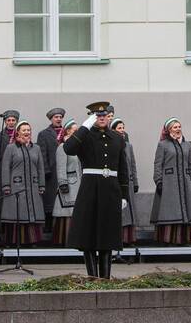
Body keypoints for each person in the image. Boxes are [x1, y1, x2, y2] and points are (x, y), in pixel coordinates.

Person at [64, 101, 129, 279]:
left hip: (110, 191)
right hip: (90, 190)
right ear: (92, 118)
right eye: (97, 116)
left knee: (107, 237)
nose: (101, 118)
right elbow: (68, 149)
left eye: (104, 115)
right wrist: (83, 129)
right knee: (89, 236)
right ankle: (93, 278)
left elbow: (123, 168)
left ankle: (106, 278)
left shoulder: (117, 138)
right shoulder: (84, 136)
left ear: (109, 117)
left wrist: (124, 195)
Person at [0, 121, 49, 246]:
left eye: (29, 130)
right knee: (16, 212)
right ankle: (13, 241)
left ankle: (32, 240)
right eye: (24, 130)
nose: (27, 132)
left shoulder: (36, 148)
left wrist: (41, 185)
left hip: (33, 187)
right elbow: (5, 167)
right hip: (16, 186)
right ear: (18, 132)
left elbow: (40, 168)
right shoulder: (11, 148)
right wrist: (6, 185)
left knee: (32, 212)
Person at [150, 117, 191, 245]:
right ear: (169, 129)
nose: (178, 129)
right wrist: (158, 181)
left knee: (185, 209)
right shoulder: (163, 145)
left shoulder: (187, 145)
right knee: (170, 210)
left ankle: (183, 239)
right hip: (169, 183)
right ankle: (168, 240)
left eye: (179, 126)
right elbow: (157, 164)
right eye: (175, 127)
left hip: (185, 182)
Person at [0, 110, 19, 241]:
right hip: (3, 175)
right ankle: (2, 231)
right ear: (5, 122)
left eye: (13, 120)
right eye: (9, 120)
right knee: (2, 203)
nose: (11, 123)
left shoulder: (21, 135)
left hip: (18, 175)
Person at [111, 119, 139, 251]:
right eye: (119, 128)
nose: (122, 130)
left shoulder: (128, 146)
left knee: (129, 212)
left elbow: (132, 165)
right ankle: (118, 238)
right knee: (119, 213)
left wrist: (136, 182)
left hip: (129, 182)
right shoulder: (111, 144)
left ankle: (129, 239)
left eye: (123, 127)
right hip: (117, 182)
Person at [36, 107, 65, 235]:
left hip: (65, 171)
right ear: (51, 119)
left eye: (60, 117)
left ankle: (61, 227)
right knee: (50, 200)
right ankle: (48, 225)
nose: (58, 119)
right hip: (51, 173)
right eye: (56, 117)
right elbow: (42, 153)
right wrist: (45, 170)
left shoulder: (67, 132)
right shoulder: (44, 134)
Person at [52, 119, 81, 245]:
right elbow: (60, 166)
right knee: (67, 211)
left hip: (79, 183)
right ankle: (64, 240)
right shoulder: (62, 147)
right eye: (75, 129)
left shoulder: (78, 146)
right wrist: (63, 183)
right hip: (69, 185)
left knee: (76, 211)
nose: (77, 131)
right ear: (68, 131)